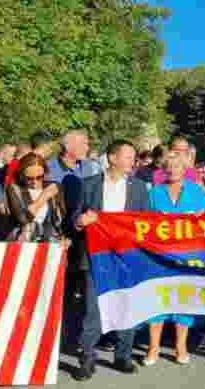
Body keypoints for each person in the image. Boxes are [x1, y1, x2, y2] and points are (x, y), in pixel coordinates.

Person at [70, 140, 149, 380]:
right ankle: (87, 358)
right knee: (93, 309)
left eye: (133, 157)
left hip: (126, 257)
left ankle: (123, 355)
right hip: (97, 257)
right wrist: (80, 221)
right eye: (127, 156)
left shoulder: (138, 188)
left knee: (127, 305)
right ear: (112, 158)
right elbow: (74, 217)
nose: (132, 161)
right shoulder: (89, 185)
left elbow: (145, 222)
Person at [144, 152, 205, 366]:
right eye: (168, 166)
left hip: (187, 256)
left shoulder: (197, 191)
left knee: (184, 300)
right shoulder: (154, 192)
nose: (172, 170)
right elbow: (143, 222)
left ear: (184, 169)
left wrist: (200, 219)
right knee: (157, 300)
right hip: (158, 256)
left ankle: (180, 346)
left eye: (177, 166)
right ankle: (153, 348)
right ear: (163, 169)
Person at [5, 153, 68, 243]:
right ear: (22, 175)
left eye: (39, 177)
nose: (34, 182)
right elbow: (23, 219)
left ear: (45, 173)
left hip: (50, 241)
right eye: (29, 178)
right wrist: (43, 197)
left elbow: (60, 219)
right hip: (25, 243)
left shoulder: (54, 186)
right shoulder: (14, 189)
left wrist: (64, 237)